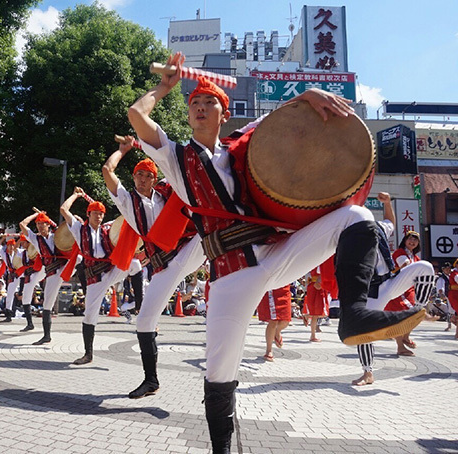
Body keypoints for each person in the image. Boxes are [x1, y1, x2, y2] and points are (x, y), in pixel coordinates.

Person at [128, 52, 424, 453]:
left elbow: (279, 117)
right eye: (194, 103)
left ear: (223, 112)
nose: (200, 107)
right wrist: (163, 88)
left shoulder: (241, 148)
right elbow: (136, 115)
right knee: (219, 372)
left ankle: (353, 314)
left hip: (275, 254)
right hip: (233, 274)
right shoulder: (176, 157)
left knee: (355, 216)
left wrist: (311, 90)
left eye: (209, 102)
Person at [102, 136, 205, 397]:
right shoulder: (127, 202)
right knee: (144, 321)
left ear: (154, 178)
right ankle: (151, 380)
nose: (141, 179)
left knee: (207, 229)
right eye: (138, 175)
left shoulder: (167, 192)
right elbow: (107, 171)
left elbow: (178, 167)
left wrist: (145, 144)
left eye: (147, 175)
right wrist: (123, 150)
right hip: (164, 267)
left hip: (186, 253)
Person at [352, 192, 435, 385]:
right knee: (363, 331)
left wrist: (388, 203)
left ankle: (418, 309)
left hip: (390, 282)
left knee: (426, 267)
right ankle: (367, 372)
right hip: (372, 292)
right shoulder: (347, 238)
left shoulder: (379, 229)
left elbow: (390, 220)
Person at [60, 187, 140, 365]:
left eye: (101, 214)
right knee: (90, 315)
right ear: (88, 214)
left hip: (110, 271)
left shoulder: (107, 228)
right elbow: (64, 210)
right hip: (94, 277)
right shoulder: (79, 228)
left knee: (135, 264)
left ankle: (139, 305)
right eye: (95, 213)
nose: (99, 216)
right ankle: (88, 354)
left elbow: (126, 218)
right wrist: (76, 195)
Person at [20, 211, 70, 345]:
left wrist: (75, 219)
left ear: (49, 225)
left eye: (43, 224)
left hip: (64, 267)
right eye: (38, 224)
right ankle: (46, 336)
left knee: (79, 258)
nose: (40, 227)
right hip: (52, 273)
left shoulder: (57, 236)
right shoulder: (36, 240)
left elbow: (73, 231)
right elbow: (22, 224)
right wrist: (35, 216)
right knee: (47, 304)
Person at [384, 230, 432, 355]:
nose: (412, 242)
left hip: (409, 290)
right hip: (398, 288)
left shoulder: (415, 257)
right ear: (405, 241)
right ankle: (400, 346)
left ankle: (405, 336)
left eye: (415, 240)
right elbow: (404, 265)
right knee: (401, 318)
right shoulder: (400, 252)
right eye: (410, 239)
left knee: (415, 314)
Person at [15, 235, 44, 332]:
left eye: (24, 242)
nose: (22, 244)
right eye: (22, 243)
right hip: (28, 276)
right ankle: (30, 324)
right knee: (25, 300)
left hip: (37, 271)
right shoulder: (22, 253)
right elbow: (15, 248)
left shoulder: (35, 249)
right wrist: (20, 237)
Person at [257, 285, 292, 361]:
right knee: (273, 320)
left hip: (284, 287)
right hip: (272, 286)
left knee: (286, 320)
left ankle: (277, 331)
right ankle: (269, 350)